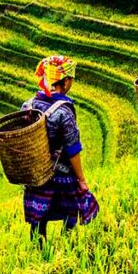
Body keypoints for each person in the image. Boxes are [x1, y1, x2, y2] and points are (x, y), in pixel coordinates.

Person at [22, 55, 99, 242]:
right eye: (71, 80)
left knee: (38, 219)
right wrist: (81, 180)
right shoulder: (64, 111)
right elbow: (73, 148)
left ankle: (39, 250)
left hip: (37, 173)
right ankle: (66, 245)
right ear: (64, 82)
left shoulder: (28, 105)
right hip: (61, 173)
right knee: (71, 213)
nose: (71, 83)